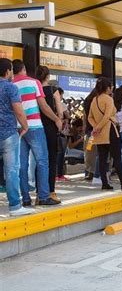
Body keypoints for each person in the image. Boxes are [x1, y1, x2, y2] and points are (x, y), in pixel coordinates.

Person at [12, 60, 61, 206]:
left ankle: (26, 199)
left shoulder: (11, 85)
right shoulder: (34, 83)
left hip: (18, 128)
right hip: (34, 127)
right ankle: (43, 196)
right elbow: (43, 106)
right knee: (42, 161)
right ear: (24, 68)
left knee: (22, 165)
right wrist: (56, 119)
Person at [0, 58, 34, 216]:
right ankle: (14, 206)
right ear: (7, 71)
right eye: (12, 69)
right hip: (8, 133)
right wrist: (25, 126)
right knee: (11, 170)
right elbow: (19, 110)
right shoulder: (10, 87)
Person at [88, 77, 122, 190]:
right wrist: (99, 127)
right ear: (107, 87)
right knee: (117, 158)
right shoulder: (108, 99)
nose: (112, 88)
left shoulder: (94, 99)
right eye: (111, 86)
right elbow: (107, 116)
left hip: (99, 134)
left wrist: (96, 127)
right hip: (110, 131)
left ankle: (105, 183)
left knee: (102, 159)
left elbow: (90, 117)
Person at [36, 65, 64, 201]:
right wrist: (59, 120)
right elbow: (60, 111)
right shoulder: (54, 91)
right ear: (48, 76)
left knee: (40, 160)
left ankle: (39, 192)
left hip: (37, 127)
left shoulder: (35, 89)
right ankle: (51, 191)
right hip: (51, 128)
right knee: (52, 160)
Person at [83, 87, 97, 180]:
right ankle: (95, 172)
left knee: (89, 151)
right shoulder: (97, 101)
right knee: (99, 152)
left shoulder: (87, 101)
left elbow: (84, 115)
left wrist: (85, 126)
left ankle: (90, 171)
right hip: (98, 131)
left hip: (90, 131)